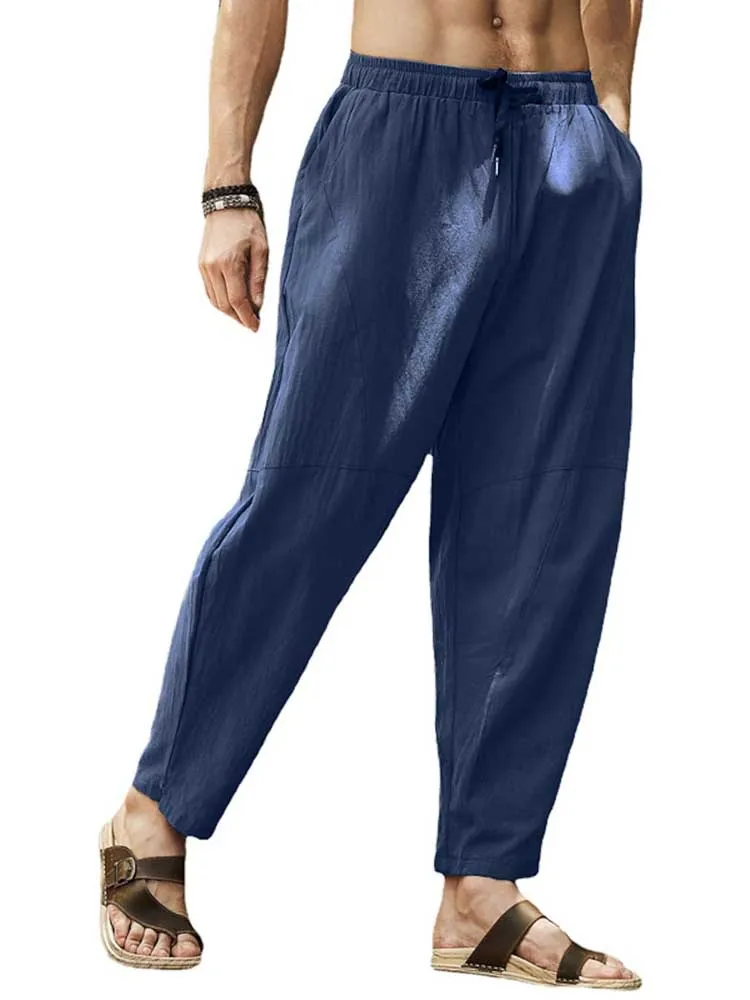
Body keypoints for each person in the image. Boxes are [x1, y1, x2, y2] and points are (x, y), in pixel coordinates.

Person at [99, 0, 643, 986]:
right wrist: (228, 183)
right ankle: (156, 808)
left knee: (544, 516)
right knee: (309, 493)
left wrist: (610, 115)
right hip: (403, 120)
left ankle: (482, 884)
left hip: (568, 134)